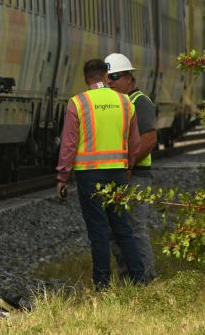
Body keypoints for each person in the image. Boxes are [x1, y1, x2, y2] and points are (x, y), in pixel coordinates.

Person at [56, 58, 146, 289]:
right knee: (122, 227)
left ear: (86, 78)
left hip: (89, 174)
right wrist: (128, 166)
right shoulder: (126, 103)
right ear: (106, 76)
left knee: (98, 229)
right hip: (117, 173)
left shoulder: (78, 103)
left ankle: (102, 283)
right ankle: (139, 278)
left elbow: (68, 144)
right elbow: (134, 144)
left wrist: (62, 178)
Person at [106, 52, 158, 281]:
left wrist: (129, 163)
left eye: (115, 77)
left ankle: (146, 278)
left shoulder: (140, 102)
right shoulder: (119, 103)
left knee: (135, 230)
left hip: (136, 176)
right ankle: (129, 279)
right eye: (107, 78)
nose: (110, 82)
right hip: (122, 175)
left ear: (129, 78)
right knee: (117, 233)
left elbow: (149, 138)